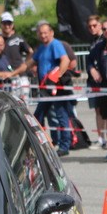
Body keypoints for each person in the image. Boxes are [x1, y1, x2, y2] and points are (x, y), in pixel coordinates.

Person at [21, 22, 71, 156]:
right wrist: (12, 73)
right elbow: (28, 64)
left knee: (60, 115)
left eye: (45, 32)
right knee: (39, 116)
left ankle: (65, 145)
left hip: (55, 88)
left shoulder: (55, 44)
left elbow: (65, 61)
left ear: (51, 32)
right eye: (40, 33)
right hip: (45, 89)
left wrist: (56, 77)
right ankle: (44, 143)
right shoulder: (42, 48)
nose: (43, 35)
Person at [88, 19, 107, 159]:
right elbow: (88, 60)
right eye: (105, 29)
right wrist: (92, 69)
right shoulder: (99, 46)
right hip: (105, 87)